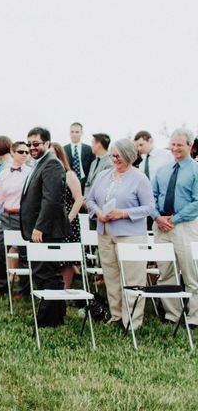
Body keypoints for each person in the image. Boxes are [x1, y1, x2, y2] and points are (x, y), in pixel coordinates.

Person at [86, 139, 154, 330]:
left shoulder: (140, 178)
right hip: (105, 232)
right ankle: (116, 316)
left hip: (130, 235)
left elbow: (149, 207)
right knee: (111, 276)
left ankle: (132, 320)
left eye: (118, 156)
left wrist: (123, 213)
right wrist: (98, 213)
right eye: (112, 155)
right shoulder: (103, 175)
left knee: (132, 278)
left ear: (129, 156)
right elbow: (90, 200)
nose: (114, 159)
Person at [19, 127, 69, 327]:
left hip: (46, 231)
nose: (32, 147)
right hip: (39, 229)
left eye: (36, 144)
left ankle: (48, 318)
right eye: (29, 144)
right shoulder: (39, 164)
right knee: (46, 273)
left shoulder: (52, 165)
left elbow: (52, 200)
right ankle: (56, 316)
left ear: (47, 144)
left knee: (46, 273)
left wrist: (39, 227)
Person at [151, 128, 198, 328]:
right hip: (161, 226)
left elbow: (197, 202)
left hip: (185, 226)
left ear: (190, 146)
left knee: (191, 273)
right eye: (173, 144)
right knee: (165, 271)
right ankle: (173, 314)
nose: (176, 148)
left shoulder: (196, 170)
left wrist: (175, 219)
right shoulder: (162, 171)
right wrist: (158, 217)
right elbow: (151, 197)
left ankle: (194, 317)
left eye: (180, 144)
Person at [0, 141, 31, 298]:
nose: (25, 155)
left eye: (27, 152)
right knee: (0, 251)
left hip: (23, 218)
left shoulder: (30, 173)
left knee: (24, 254)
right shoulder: (4, 174)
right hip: (6, 216)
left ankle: (24, 291)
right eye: (21, 152)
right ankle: (2, 288)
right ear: (13, 153)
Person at [51, 143, 85, 289]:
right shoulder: (47, 174)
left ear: (59, 155)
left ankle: (66, 290)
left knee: (67, 259)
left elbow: (79, 199)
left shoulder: (69, 174)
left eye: (52, 154)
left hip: (67, 220)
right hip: (51, 221)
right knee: (53, 256)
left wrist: (68, 220)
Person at [64, 122, 93, 189]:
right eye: (72, 132)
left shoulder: (89, 149)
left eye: (77, 132)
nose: (74, 134)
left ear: (81, 133)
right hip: (69, 184)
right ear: (69, 133)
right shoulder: (64, 149)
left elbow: (92, 168)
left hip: (86, 184)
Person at [83, 133, 112, 199]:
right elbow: (88, 183)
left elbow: (106, 186)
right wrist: (86, 199)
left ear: (99, 145)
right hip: (89, 203)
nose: (91, 146)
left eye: (93, 143)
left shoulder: (110, 163)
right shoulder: (94, 163)